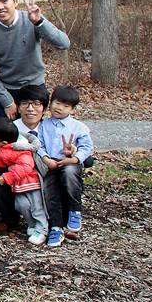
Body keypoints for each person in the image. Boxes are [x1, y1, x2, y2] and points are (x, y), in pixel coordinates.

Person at [0, 0, 71, 123]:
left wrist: (39, 22)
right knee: (3, 132)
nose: (0, 7)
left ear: (15, 2)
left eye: (5, 1)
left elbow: (64, 44)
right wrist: (7, 102)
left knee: (33, 131)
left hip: (34, 85)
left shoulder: (31, 19)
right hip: (4, 87)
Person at [36, 85, 93, 247]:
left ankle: (75, 210)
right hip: (52, 164)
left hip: (70, 162)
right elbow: (39, 144)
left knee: (69, 173)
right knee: (49, 190)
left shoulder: (78, 127)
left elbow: (87, 147)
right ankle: (56, 226)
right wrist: (46, 159)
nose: (59, 108)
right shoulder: (43, 125)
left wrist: (75, 157)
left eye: (66, 106)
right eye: (57, 103)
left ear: (72, 109)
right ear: (51, 102)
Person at [0, 119, 48, 245]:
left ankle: (41, 228)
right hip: (8, 181)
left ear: (3, 142)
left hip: (27, 182)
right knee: (20, 204)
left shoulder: (19, 148)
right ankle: (30, 224)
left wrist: (8, 176)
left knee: (35, 205)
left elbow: (26, 166)